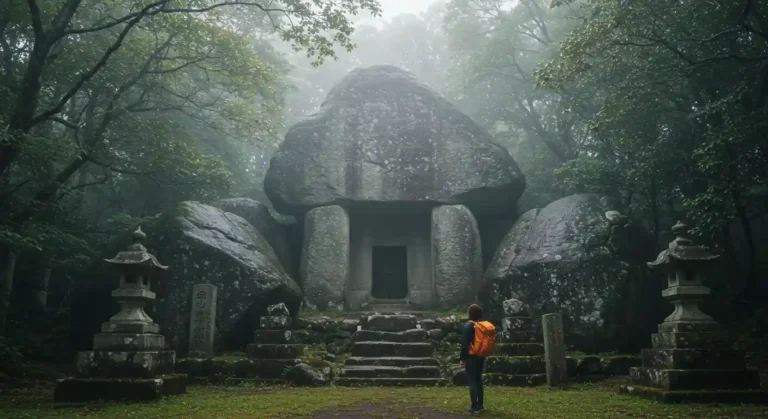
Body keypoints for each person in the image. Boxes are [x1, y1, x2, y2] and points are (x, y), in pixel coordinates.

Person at [460, 304, 494, 414]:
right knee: (478, 380)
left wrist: (462, 358)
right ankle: (480, 405)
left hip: (471, 356)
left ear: (469, 313)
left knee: (472, 381)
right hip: (480, 355)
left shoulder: (468, 326)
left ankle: (474, 406)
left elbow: (465, 345)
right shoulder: (481, 326)